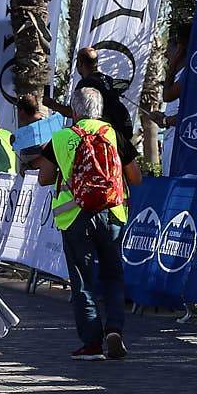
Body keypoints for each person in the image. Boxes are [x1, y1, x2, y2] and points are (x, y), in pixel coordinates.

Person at [33, 87, 132, 361]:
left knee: (83, 280)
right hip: (112, 214)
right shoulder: (113, 135)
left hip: (74, 216)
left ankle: (91, 342)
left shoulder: (62, 137)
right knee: (113, 276)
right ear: (99, 110)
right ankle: (115, 330)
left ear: (74, 111)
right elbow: (135, 176)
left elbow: (44, 178)